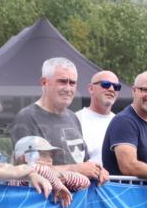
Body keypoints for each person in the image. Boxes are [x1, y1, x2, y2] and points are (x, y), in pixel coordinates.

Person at [11, 57, 108, 185]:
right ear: (44, 82)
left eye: (72, 83)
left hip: (76, 201)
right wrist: (75, 170)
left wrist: (98, 171)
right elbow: (26, 171)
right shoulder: (26, 118)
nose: (68, 88)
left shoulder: (73, 117)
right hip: (45, 202)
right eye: (62, 81)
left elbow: (84, 162)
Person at [76, 70, 120, 166]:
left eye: (116, 87)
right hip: (85, 179)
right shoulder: (76, 119)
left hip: (116, 181)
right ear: (91, 88)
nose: (112, 89)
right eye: (106, 84)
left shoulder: (121, 122)